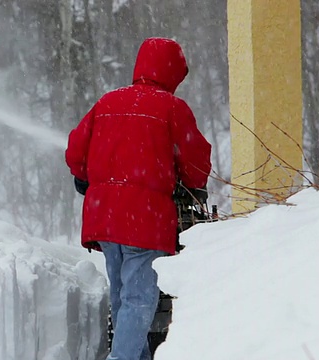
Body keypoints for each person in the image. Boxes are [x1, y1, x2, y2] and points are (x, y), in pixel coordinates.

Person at [65, 37, 212, 360]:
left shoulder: (106, 102)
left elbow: (76, 148)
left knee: (121, 295)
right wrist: (194, 184)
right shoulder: (172, 108)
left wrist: (84, 176)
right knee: (139, 299)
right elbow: (195, 158)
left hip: (104, 216)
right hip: (145, 219)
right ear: (172, 72)